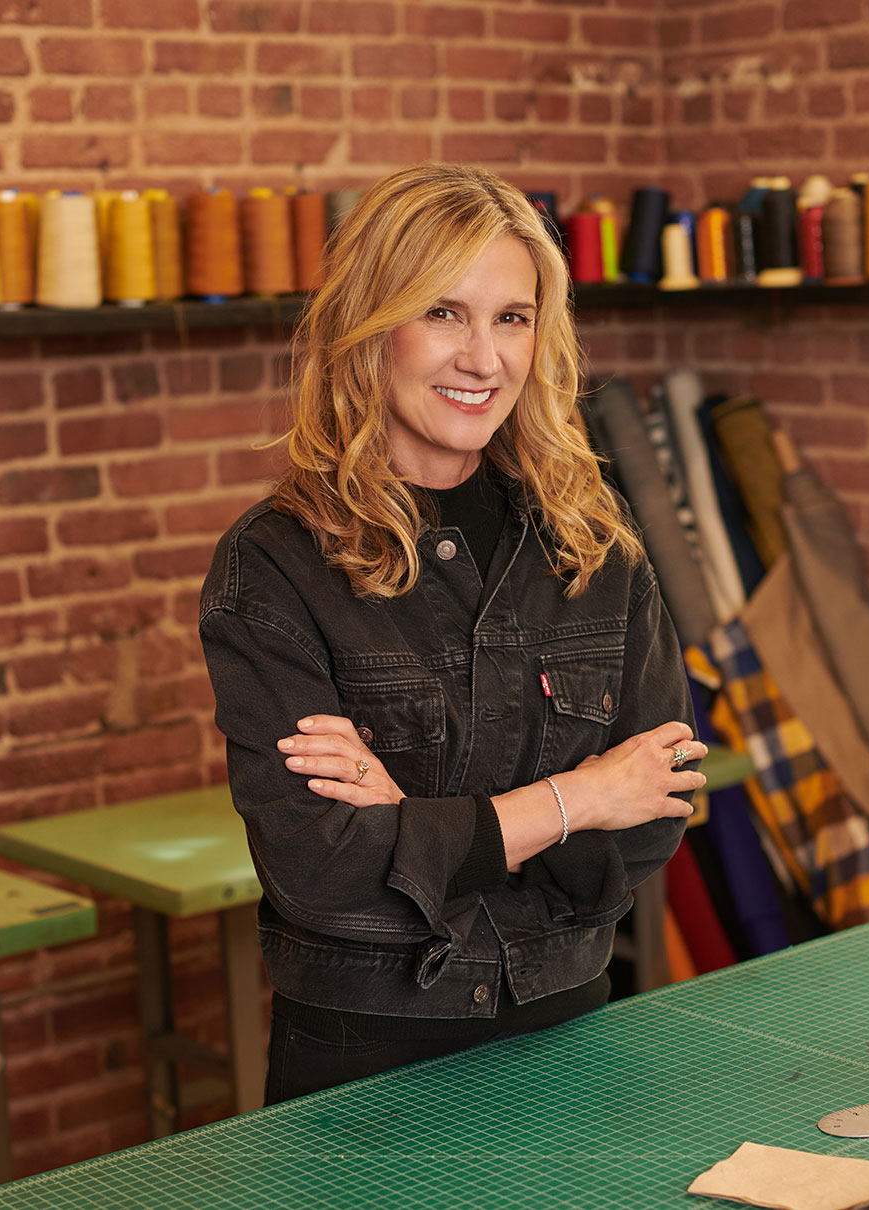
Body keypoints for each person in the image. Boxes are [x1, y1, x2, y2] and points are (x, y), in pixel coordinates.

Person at [198, 163, 707, 1105]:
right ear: (369, 328)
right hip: (366, 1061)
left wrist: (416, 827)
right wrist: (581, 797)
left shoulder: (592, 540)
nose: (483, 357)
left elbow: (655, 816)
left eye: (512, 317)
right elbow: (323, 867)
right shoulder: (274, 565)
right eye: (443, 312)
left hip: (570, 1036)